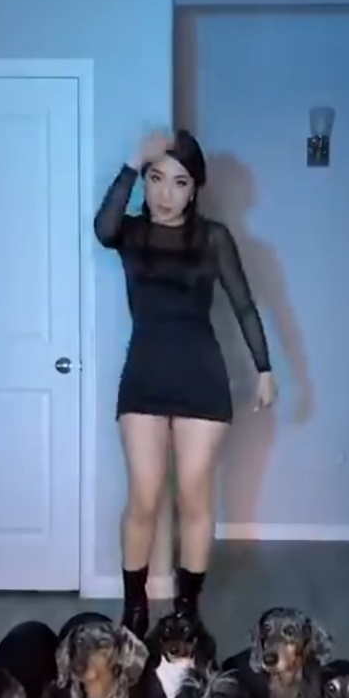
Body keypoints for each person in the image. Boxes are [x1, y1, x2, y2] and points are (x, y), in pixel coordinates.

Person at [94, 129, 274, 634]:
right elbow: (103, 229)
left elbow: (244, 305)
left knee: (194, 498)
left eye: (179, 182)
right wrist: (132, 161)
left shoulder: (213, 237)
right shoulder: (130, 233)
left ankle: (187, 613)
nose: (165, 194)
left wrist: (264, 368)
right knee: (144, 497)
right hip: (144, 378)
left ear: (195, 188)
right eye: (155, 179)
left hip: (202, 378)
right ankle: (134, 612)